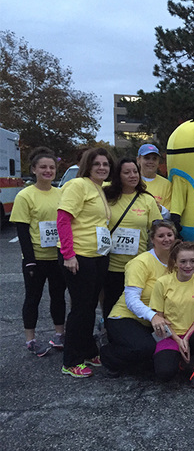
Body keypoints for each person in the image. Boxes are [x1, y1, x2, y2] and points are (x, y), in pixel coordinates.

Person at [57, 147, 114, 378]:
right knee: (80, 310)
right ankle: (71, 360)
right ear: (87, 166)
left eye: (106, 164)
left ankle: (89, 350)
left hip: (97, 255)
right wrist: (69, 255)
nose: (102, 168)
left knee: (90, 306)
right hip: (79, 256)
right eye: (97, 164)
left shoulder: (99, 188)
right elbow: (63, 220)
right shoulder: (77, 185)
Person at [101, 220, 176, 377]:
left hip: (156, 321)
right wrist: (153, 316)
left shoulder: (176, 262)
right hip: (126, 317)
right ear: (152, 239)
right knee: (145, 348)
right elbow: (131, 300)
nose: (166, 239)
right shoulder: (141, 262)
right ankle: (108, 354)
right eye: (161, 236)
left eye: (170, 235)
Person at [11, 147, 66, 356]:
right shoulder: (25, 196)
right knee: (33, 298)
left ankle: (60, 334)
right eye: (43, 167)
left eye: (51, 167)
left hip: (57, 256)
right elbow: (22, 230)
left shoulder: (61, 193)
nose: (48, 171)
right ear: (33, 169)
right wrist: (29, 260)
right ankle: (31, 339)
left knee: (58, 296)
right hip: (36, 258)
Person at [149, 241, 194, 387]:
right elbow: (159, 317)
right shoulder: (162, 283)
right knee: (165, 374)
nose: (188, 266)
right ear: (174, 261)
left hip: (191, 334)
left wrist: (186, 338)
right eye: (183, 261)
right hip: (169, 335)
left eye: (192, 261)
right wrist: (178, 340)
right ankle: (178, 358)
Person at [102, 158, 162, 318]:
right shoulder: (106, 196)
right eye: (127, 172)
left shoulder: (147, 199)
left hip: (137, 265)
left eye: (135, 171)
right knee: (111, 303)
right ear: (118, 175)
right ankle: (109, 333)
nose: (132, 175)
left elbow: (158, 229)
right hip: (111, 264)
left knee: (136, 304)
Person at [137, 143, 172, 212]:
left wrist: (160, 209)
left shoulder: (166, 184)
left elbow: (169, 214)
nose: (151, 162)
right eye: (147, 158)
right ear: (138, 160)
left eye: (154, 159)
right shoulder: (132, 181)